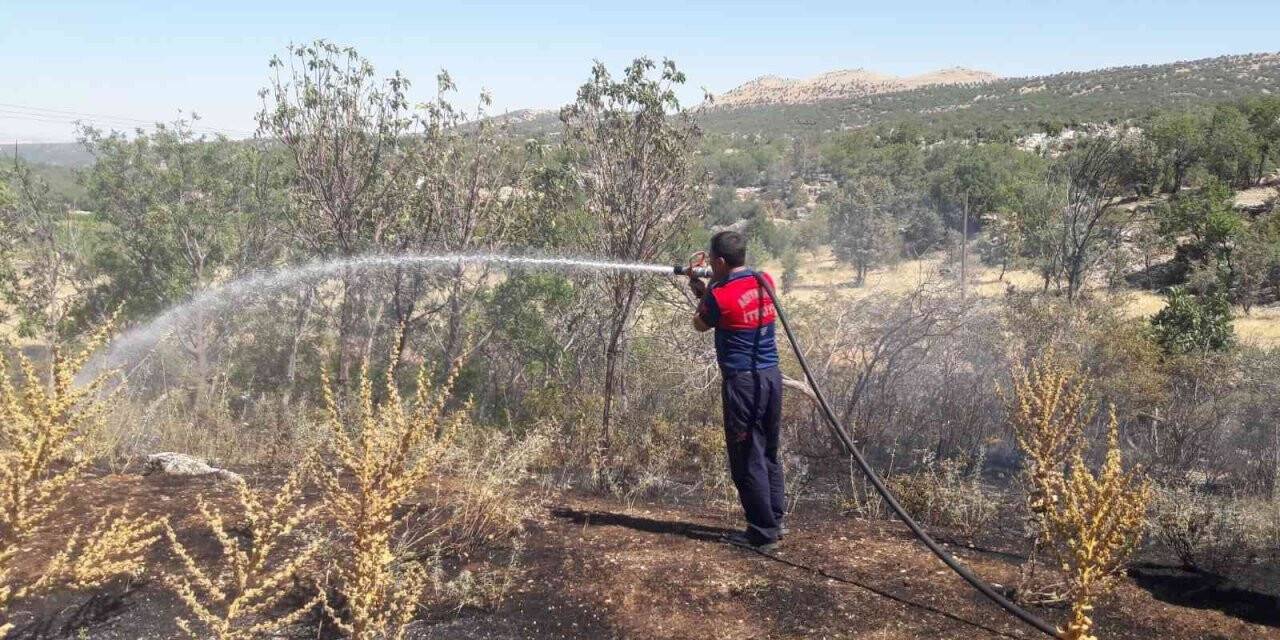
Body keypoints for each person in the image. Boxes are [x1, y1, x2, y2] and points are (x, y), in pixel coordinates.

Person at [687, 230, 786, 550]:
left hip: (743, 383)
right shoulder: (765, 280)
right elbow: (729, 305)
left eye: (711, 262)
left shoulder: (719, 295)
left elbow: (699, 324)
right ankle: (774, 519)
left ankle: (762, 532)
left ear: (718, 261)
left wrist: (702, 290)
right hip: (771, 378)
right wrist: (711, 286)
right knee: (768, 451)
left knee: (746, 457)